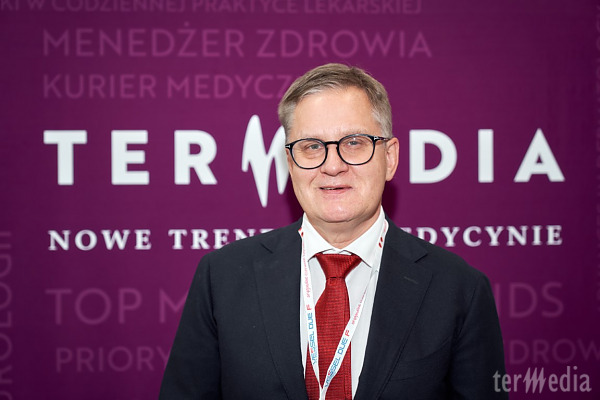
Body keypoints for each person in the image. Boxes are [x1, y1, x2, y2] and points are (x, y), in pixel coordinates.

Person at [159, 63, 507, 399]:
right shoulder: (222, 277)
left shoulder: (459, 290)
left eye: (354, 142)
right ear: (290, 163)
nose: (333, 165)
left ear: (390, 158)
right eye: (312, 146)